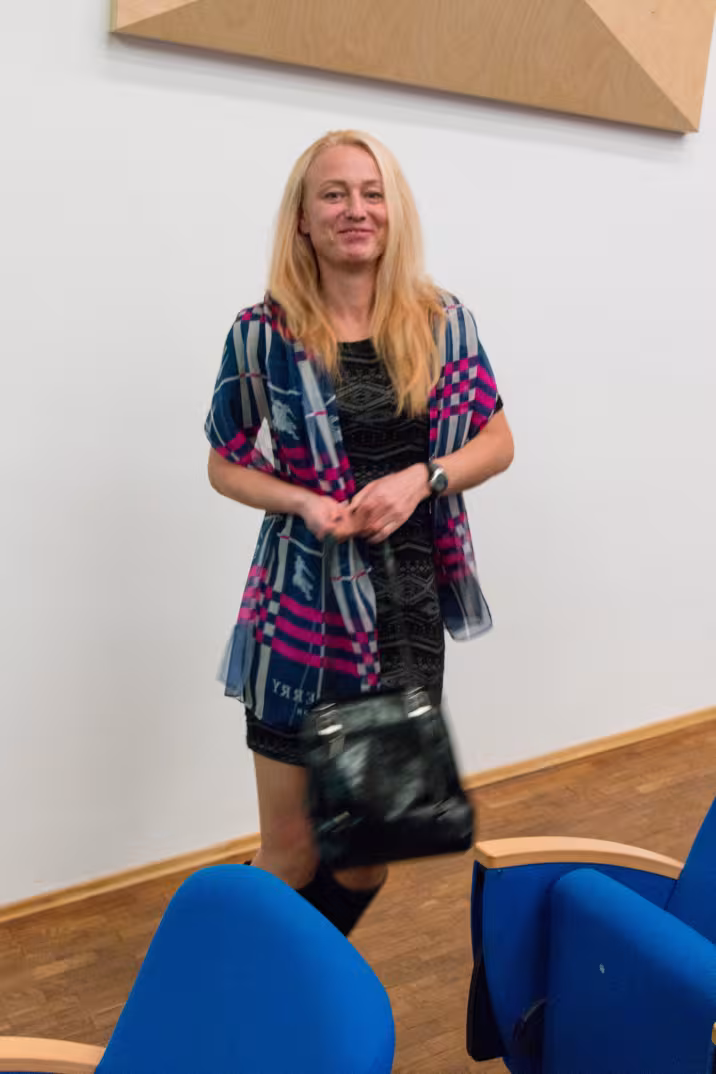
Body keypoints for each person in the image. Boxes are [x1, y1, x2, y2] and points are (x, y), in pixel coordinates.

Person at [205, 130, 514, 936]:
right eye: (335, 194)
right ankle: (229, 986)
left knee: (369, 850)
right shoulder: (262, 333)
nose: (356, 209)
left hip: (402, 614)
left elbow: (496, 442)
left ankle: (291, 984)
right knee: (290, 850)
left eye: (372, 193)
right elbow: (225, 462)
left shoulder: (442, 323)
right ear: (303, 219)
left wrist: (425, 477)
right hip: (299, 610)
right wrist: (304, 501)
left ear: (393, 211)